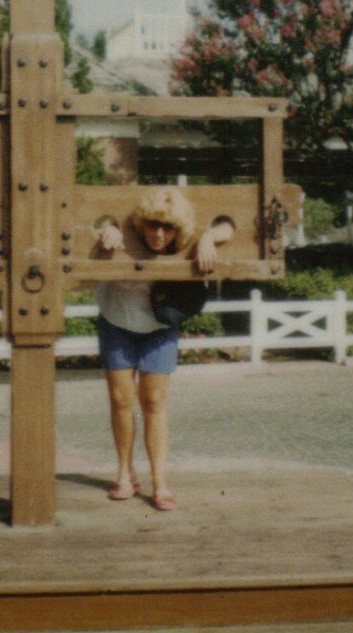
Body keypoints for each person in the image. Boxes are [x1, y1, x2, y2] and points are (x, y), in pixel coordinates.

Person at [95, 187, 234, 511]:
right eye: (152, 225)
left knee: (154, 401)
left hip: (158, 327)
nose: (159, 234)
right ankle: (125, 473)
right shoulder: (125, 231)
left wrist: (208, 237)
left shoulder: (186, 240)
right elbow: (101, 219)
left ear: (178, 230)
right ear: (140, 223)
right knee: (120, 399)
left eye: (168, 227)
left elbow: (230, 224)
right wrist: (109, 228)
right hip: (117, 320)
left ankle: (159, 481)